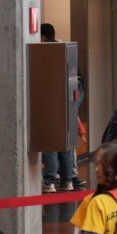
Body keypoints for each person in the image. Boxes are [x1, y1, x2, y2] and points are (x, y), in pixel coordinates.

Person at [39, 24, 83, 193]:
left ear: (42, 37)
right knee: (66, 145)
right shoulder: (67, 49)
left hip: (52, 105)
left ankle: (50, 181)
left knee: (50, 145)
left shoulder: (45, 53)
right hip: (70, 104)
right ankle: (67, 181)